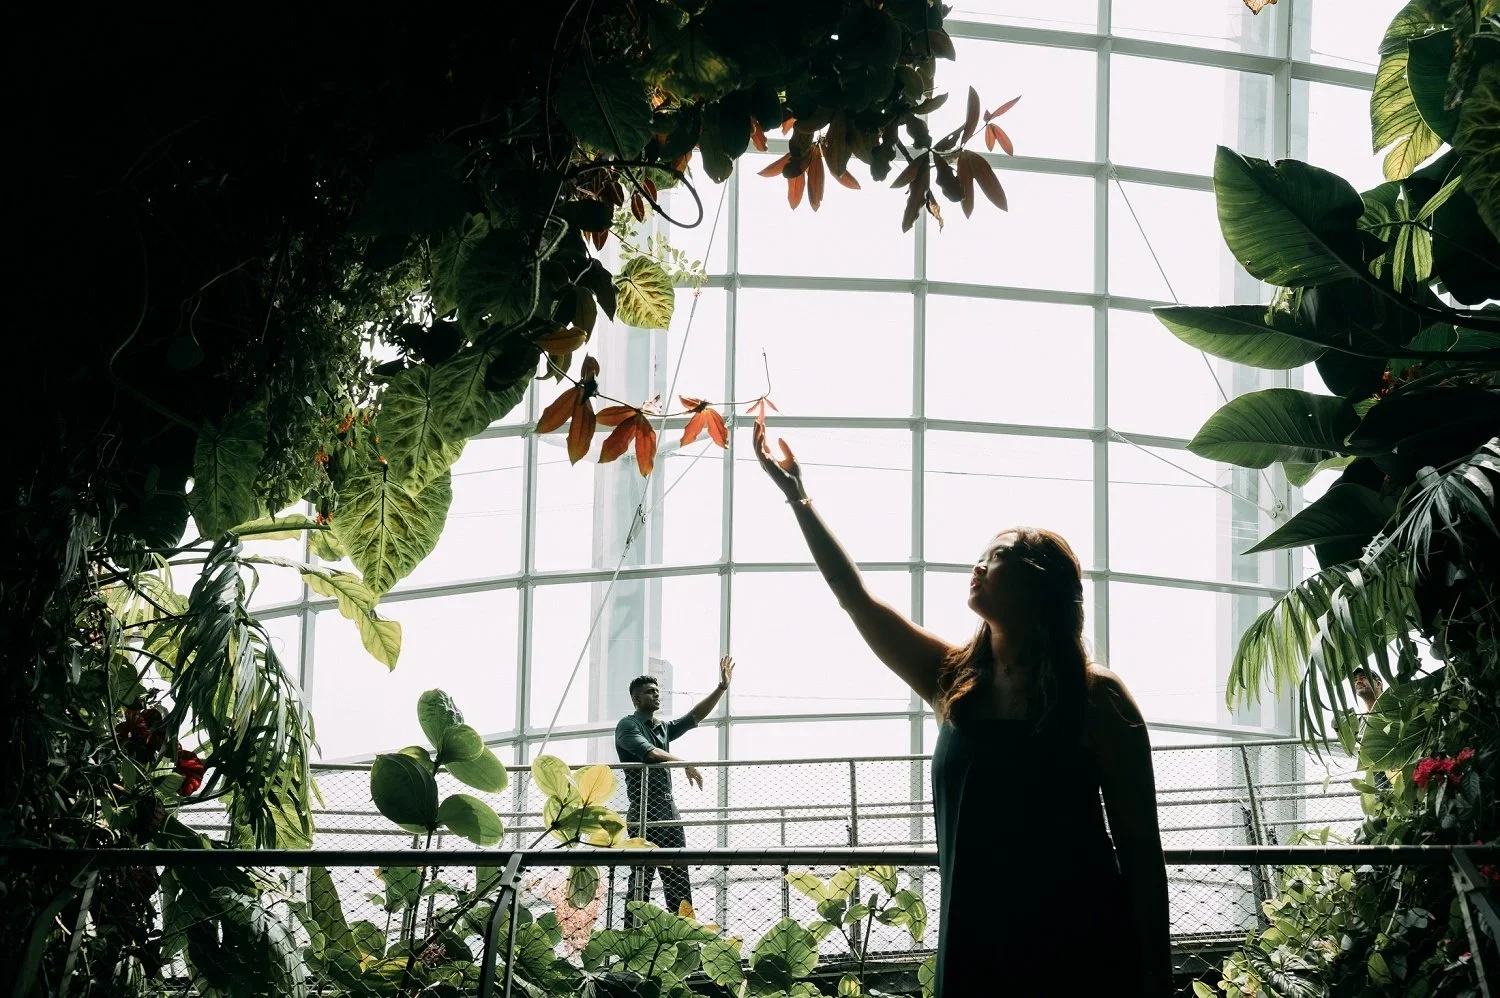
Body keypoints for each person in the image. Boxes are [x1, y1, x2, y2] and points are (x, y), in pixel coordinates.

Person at [753, 421, 1172, 997]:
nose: (979, 565)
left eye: (998, 556)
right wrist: (798, 498)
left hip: (1081, 951)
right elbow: (855, 598)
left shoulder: (1097, 698)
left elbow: (1141, 852)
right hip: (977, 949)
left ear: (1040, 584)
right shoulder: (953, 680)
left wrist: (1156, 979)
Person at [614, 657, 734, 921]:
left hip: (668, 809)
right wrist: (684, 762)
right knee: (641, 878)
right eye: (650, 692)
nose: (656, 695)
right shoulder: (628, 725)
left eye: (657, 691)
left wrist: (722, 687)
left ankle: (685, 934)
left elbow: (694, 717)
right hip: (644, 810)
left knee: (679, 876)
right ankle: (633, 935)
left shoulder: (662, 728)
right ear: (636, 699)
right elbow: (649, 753)